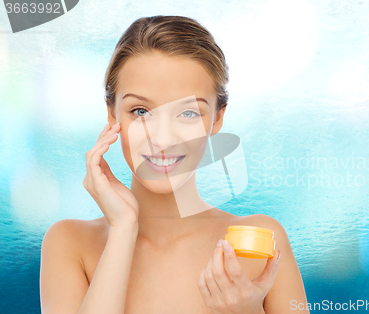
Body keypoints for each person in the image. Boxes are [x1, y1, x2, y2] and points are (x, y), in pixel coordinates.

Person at [40, 15, 309, 313]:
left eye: (189, 113)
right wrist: (123, 228)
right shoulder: (69, 244)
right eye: (141, 111)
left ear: (217, 118)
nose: (163, 139)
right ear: (112, 115)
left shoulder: (258, 242)